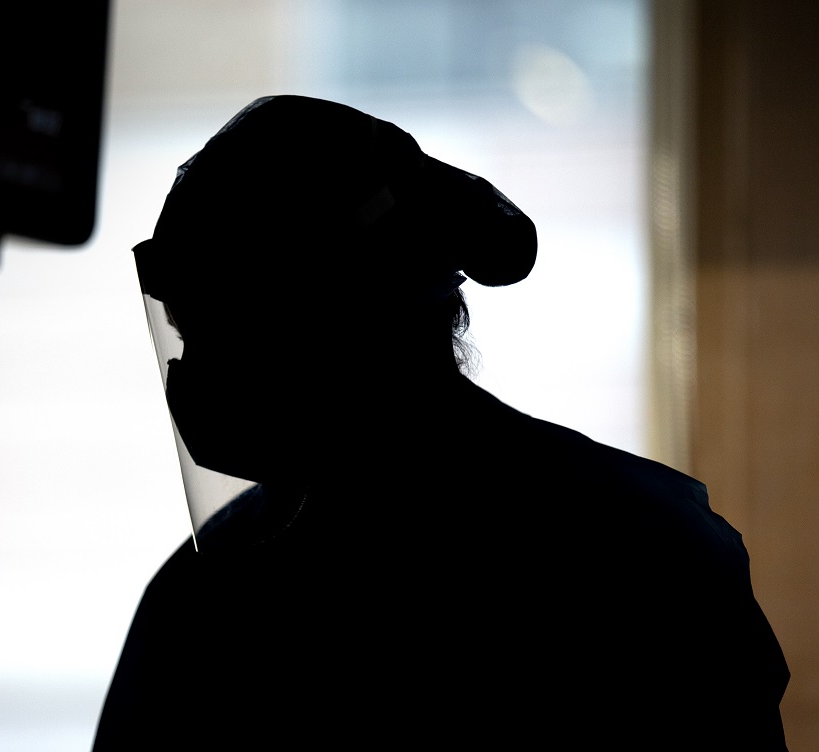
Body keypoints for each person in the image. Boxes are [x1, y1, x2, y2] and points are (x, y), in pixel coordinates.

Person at [91, 95, 790, 750]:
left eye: (236, 331)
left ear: (362, 320)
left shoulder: (637, 561)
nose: (200, 373)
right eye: (190, 336)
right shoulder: (215, 586)